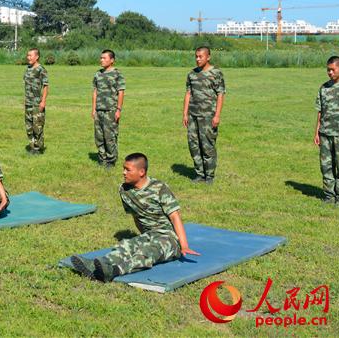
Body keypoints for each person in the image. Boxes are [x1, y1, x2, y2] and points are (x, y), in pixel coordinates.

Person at [70, 153, 199, 282]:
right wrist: (143, 238)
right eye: (123, 168)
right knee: (126, 246)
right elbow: (136, 216)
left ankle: (114, 271)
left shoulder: (159, 188)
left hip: (169, 238)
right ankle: (95, 265)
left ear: (141, 172)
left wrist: (184, 246)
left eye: (128, 169)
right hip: (150, 235)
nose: (123, 173)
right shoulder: (124, 190)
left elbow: (175, 217)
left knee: (147, 252)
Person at [182, 46, 225, 184]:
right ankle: (199, 174)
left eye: (200, 56)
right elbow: (188, 93)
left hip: (208, 116)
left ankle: (210, 175)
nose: (197, 59)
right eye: (196, 56)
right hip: (193, 116)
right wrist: (185, 113)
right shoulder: (191, 74)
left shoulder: (216, 73)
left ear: (208, 57)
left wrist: (217, 115)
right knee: (194, 145)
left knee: (207, 145)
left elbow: (220, 94)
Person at [313, 55, 339, 206]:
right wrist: (317, 132)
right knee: (326, 166)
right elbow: (320, 111)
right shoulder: (324, 88)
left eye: (333, 70)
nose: (330, 73)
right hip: (325, 133)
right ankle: (328, 195)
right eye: (328, 70)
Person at [92, 49, 126, 168]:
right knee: (99, 136)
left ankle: (111, 160)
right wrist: (93, 109)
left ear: (112, 60)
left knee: (110, 136)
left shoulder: (117, 74)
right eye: (101, 58)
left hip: (111, 110)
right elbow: (95, 92)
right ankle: (102, 158)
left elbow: (120, 92)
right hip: (99, 110)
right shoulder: (97, 74)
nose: (101, 60)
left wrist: (118, 109)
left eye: (104, 58)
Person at [24, 48, 49, 154]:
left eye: (30, 55)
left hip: (37, 103)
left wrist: (43, 102)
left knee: (37, 126)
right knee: (29, 127)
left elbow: (46, 86)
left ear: (37, 57)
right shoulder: (28, 69)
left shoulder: (41, 69)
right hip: (28, 103)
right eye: (28, 55)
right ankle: (32, 146)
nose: (28, 57)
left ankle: (38, 148)